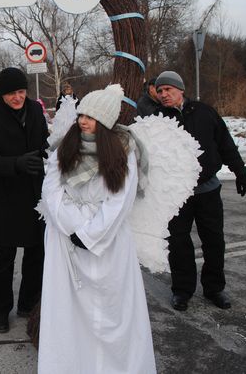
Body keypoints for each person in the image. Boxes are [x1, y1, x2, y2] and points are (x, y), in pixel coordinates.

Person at [37, 84, 156, 374]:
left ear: (105, 121)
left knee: (110, 310)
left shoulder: (123, 150)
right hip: (63, 237)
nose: (83, 121)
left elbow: (120, 200)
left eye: (91, 116)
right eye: (81, 115)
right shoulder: (65, 146)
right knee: (67, 312)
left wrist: (89, 234)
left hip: (107, 240)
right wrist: (72, 226)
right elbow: (51, 190)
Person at [154, 71, 246, 311]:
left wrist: (240, 171)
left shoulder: (205, 112)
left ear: (181, 90)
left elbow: (225, 143)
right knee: (178, 243)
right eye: (160, 91)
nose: (164, 94)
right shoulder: (157, 120)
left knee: (214, 240)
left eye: (168, 89)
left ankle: (214, 288)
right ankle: (182, 290)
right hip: (176, 193)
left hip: (207, 189)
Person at [0, 67, 49, 334]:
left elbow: (44, 143)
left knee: (35, 252)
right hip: (6, 198)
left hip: (36, 194)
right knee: (4, 256)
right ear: (1, 94)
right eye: (10, 93)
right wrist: (15, 164)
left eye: (20, 91)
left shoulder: (37, 110)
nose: (17, 98)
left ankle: (28, 304)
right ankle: (1, 312)